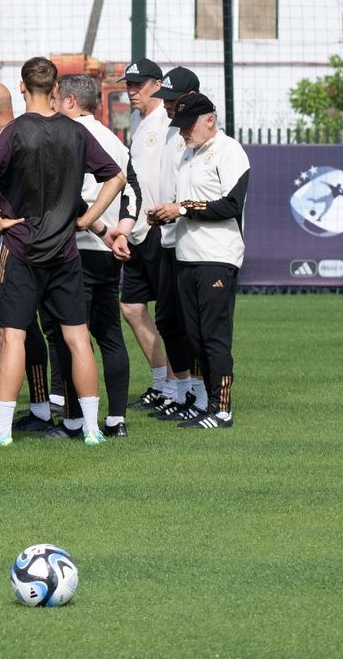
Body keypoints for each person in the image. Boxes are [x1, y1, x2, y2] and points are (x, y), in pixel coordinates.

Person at [0, 57, 127, 448]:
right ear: (55, 89)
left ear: (22, 87)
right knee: (78, 338)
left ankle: (1, 430)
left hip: (21, 251)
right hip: (65, 253)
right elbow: (116, 177)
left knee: (12, 337)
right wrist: (88, 220)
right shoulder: (76, 131)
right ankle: (91, 428)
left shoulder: (14, 131)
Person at [163, 91, 248, 430]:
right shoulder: (188, 153)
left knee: (214, 337)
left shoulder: (229, 151)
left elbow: (231, 204)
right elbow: (186, 201)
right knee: (194, 336)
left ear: (210, 120)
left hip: (217, 255)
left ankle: (222, 409)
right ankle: (203, 403)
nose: (183, 131)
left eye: (189, 124)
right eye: (180, 125)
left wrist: (183, 209)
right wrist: (166, 213)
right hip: (186, 255)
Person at [57, 73, 133, 438]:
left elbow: (70, 194)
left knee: (72, 338)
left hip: (77, 248)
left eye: (56, 99)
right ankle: (116, 419)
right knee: (110, 335)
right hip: (108, 251)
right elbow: (131, 190)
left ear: (70, 101)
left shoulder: (69, 136)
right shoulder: (115, 141)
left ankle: (74, 420)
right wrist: (120, 231)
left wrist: (95, 225)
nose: (53, 106)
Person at [146, 66, 206, 420]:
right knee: (168, 320)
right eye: (165, 98)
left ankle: (200, 395)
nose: (167, 105)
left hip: (193, 241)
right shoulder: (172, 132)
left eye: (173, 98)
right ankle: (183, 392)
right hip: (167, 236)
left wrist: (176, 209)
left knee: (190, 324)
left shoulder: (201, 137)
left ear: (191, 97)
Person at [116, 59, 176, 411]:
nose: (131, 91)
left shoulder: (168, 120)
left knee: (169, 314)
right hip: (138, 228)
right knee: (131, 306)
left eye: (138, 84)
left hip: (159, 228)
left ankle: (181, 388)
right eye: (128, 85)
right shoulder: (137, 120)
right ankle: (161, 383)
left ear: (157, 84)